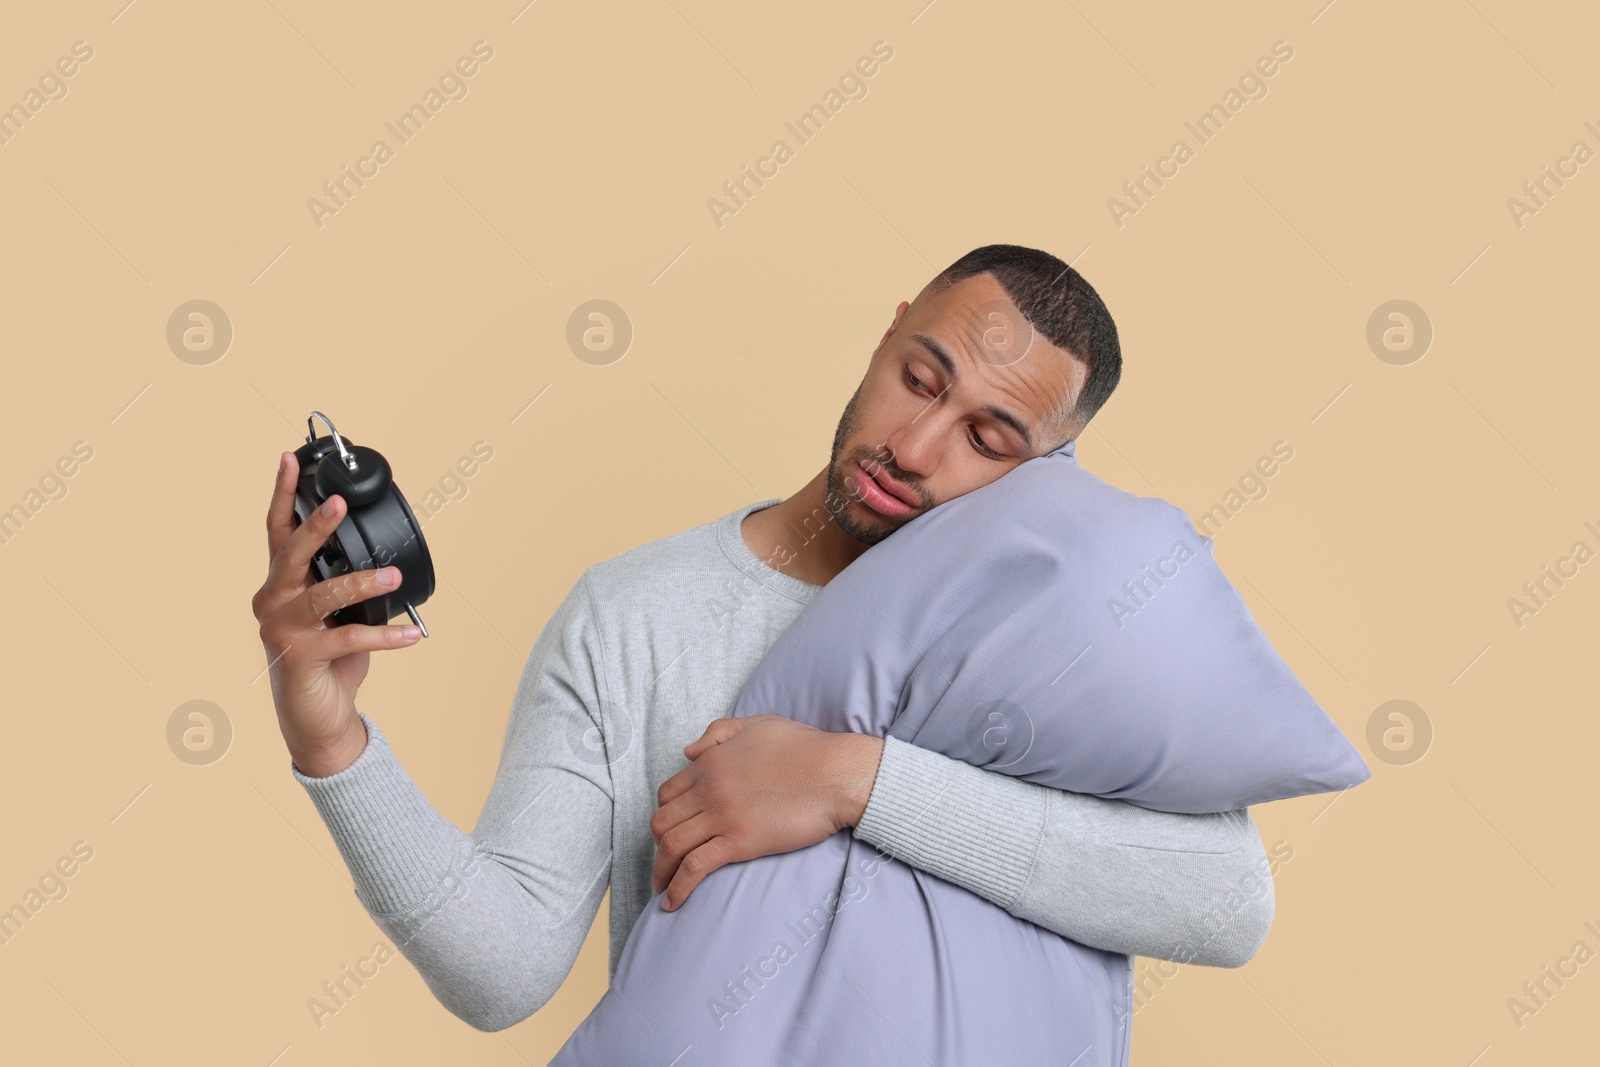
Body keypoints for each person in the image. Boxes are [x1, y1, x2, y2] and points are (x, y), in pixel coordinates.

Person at [252, 244, 1275, 1034]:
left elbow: (1226, 901)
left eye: (987, 436)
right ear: (887, 334)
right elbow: (502, 970)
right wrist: (335, 745)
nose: (914, 447)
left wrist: (853, 781)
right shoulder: (637, 614)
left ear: (1051, 467)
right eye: (919, 379)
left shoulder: (1057, 642)